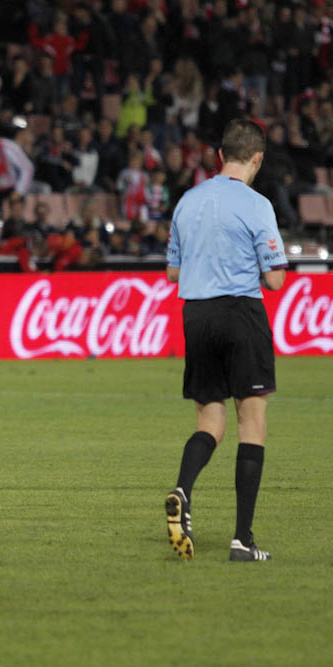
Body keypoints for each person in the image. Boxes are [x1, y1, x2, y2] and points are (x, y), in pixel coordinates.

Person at [164, 119, 287, 563]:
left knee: (208, 422)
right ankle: (242, 540)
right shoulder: (257, 205)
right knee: (251, 422)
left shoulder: (188, 202)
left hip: (196, 314)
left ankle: (183, 488)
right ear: (256, 159)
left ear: (220, 156)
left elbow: (173, 272)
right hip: (239, 312)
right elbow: (273, 279)